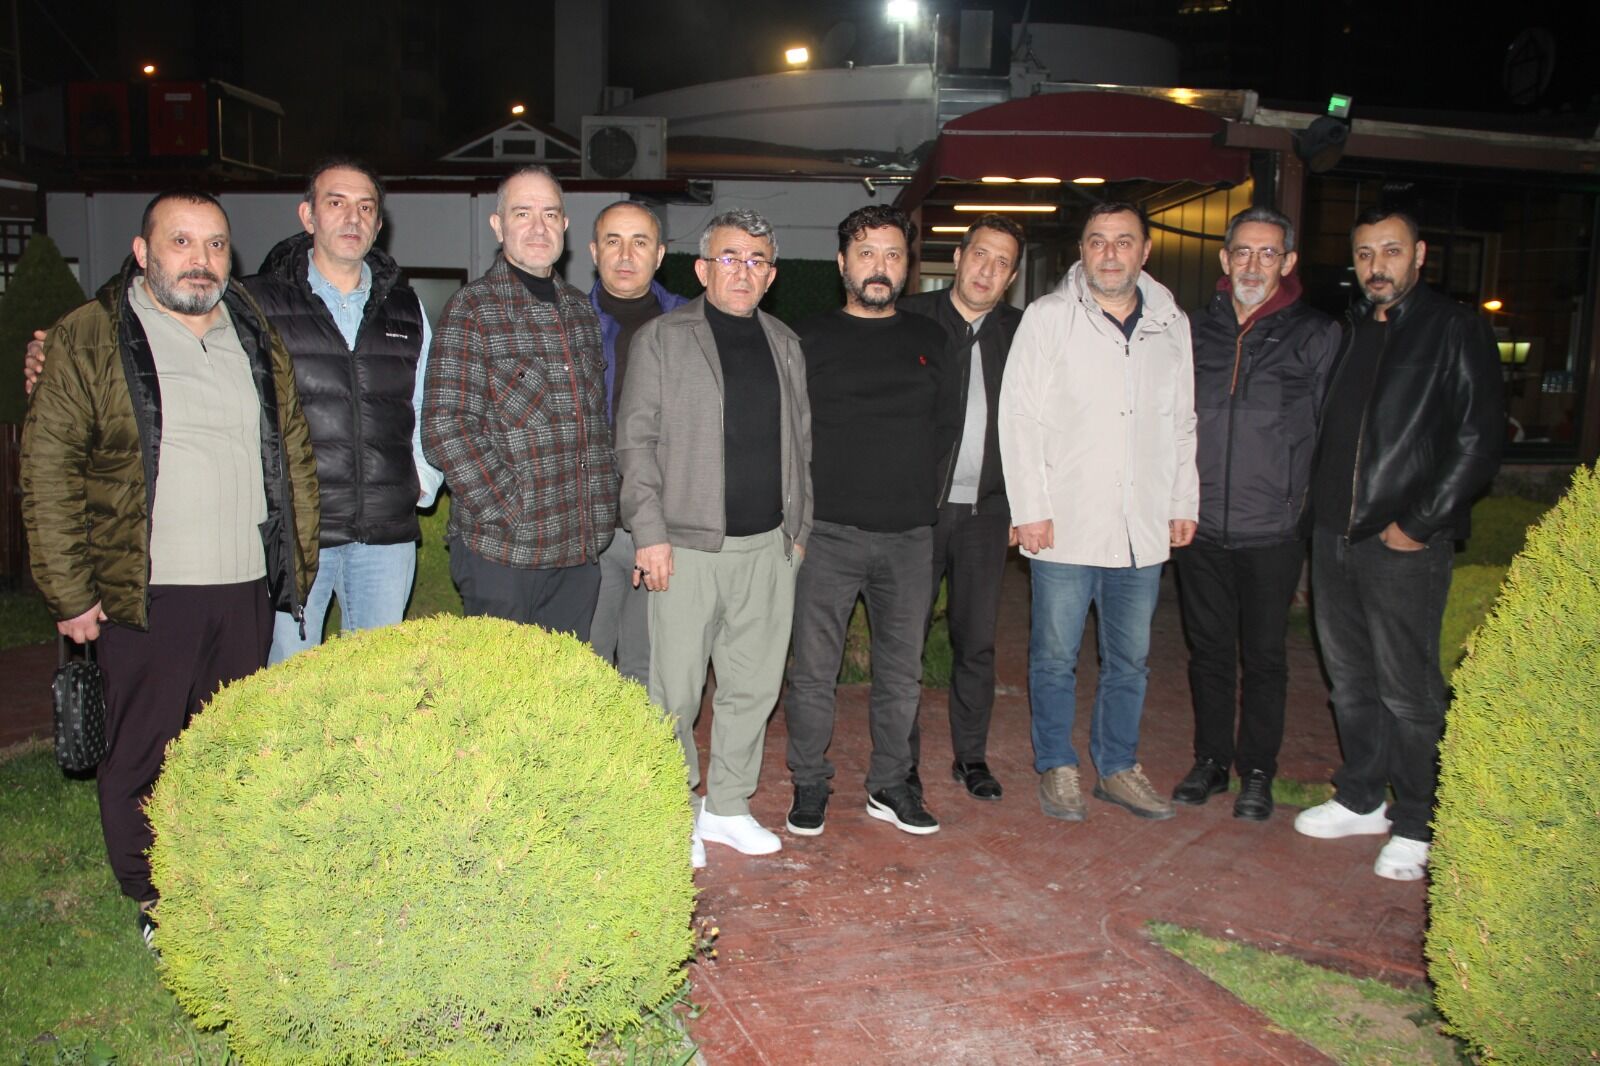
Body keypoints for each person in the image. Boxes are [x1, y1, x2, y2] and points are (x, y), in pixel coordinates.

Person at [20, 191, 319, 947]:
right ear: (142, 252)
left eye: (215, 244)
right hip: (145, 591)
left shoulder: (250, 328)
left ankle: (211, 875)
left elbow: (289, 445)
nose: (200, 259)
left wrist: (294, 561)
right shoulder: (91, 336)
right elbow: (49, 470)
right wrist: (70, 592)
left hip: (243, 586)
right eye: (180, 241)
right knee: (141, 749)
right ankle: (154, 896)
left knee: (224, 746)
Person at [24, 161, 442, 662]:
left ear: (378, 223)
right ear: (308, 216)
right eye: (336, 203)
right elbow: (156, 313)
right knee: (287, 681)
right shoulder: (252, 303)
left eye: (366, 207)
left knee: (379, 681)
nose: (352, 217)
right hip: (295, 533)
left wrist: (421, 482)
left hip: (385, 534)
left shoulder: (406, 308)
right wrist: (56, 352)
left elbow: (426, 401)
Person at [1296, 207, 1502, 880]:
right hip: (1334, 535)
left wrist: (1418, 524)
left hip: (1402, 543)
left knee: (1408, 692)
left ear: (1420, 255)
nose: (1376, 266)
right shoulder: (1353, 329)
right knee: (1350, 682)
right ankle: (1361, 797)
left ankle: (1419, 821)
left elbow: (1478, 442)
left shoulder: (1454, 328)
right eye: (1364, 254)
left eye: (1390, 251)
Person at [616, 208, 810, 868]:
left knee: (752, 688)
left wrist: (798, 533)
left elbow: (802, 443)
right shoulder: (664, 339)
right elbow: (636, 443)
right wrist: (649, 534)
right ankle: (676, 812)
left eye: (756, 260)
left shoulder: (785, 342)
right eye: (729, 257)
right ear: (702, 269)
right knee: (674, 692)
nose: (743, 271)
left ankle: (727, 807)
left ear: (771, 275)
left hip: (768, 549)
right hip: (685, 548)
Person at [999, 201, 1198, 823]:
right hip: (1064, 524)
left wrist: (1181, 500)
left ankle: (1117, 768)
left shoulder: (1171, 324)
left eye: (1123, 241)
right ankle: (1057, 766)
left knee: (1130, 661)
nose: (1110, 253)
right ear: (1081, 251)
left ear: (1145, 251)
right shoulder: (1049, 317)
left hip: (1141, 526)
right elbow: (1019, 418)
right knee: (1054, 657)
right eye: (1097, 241)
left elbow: (1183, 422)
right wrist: (1030, 508)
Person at [784, 205, 957, 838]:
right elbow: (789, 436)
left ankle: (890, 784)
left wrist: (921, 507)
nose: (879, 267)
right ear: (842, 263)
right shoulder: (806, 339)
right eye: (866, 254)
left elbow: (946, 431)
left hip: (909, 539)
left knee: (901, 675)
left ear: (907, 267)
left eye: (892, 255)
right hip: (827, 536)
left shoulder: (932, 340)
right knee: (813, 672)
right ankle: (809, 781)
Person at [1170, 206, 1340, 821]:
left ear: (1287, 262)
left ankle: (1258, 771)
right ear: (1224, 258)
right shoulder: (1191, 331)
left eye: (1268, 253)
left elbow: (1331, 433)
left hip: (1273, 527)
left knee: (1265, 657)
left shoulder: (1317, 334)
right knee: (1209, 651)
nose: (1253, 264)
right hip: (1199, 525)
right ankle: (1211, 761)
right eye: (1242, 251)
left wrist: (1307, 511)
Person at [422, 165, 616, 637]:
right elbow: (445, 427)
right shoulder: (472, 309)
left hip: (578, 552)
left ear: (565, 225)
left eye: (549, 214)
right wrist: (509, 509)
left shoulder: (580, 311)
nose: (538, 226)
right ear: (498, 225)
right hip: (504, 555)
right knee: (500, 684)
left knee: (562, 683)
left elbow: (592, 423)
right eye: (522, 213)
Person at [899, 213, 1026, 802]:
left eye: (1002, 263)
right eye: (980, 255)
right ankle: (901, 762)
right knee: (907, 640)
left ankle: (971, 757)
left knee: (976, 642)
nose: (987, 270)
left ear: (1012, 277)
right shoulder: (910, 320)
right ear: (957, 257)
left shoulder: (1022, 334)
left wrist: (1026, 505)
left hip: (987, 514)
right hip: (918, 512)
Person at [588, 200, 686, 684]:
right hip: (589, 530)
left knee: (647, 672)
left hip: (663, 529)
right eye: (614, 241)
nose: (626, 255)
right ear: (594, 252)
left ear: (660, 254)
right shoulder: (567, 321)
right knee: (585, 666)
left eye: (640, 242)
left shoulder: (692, 324)